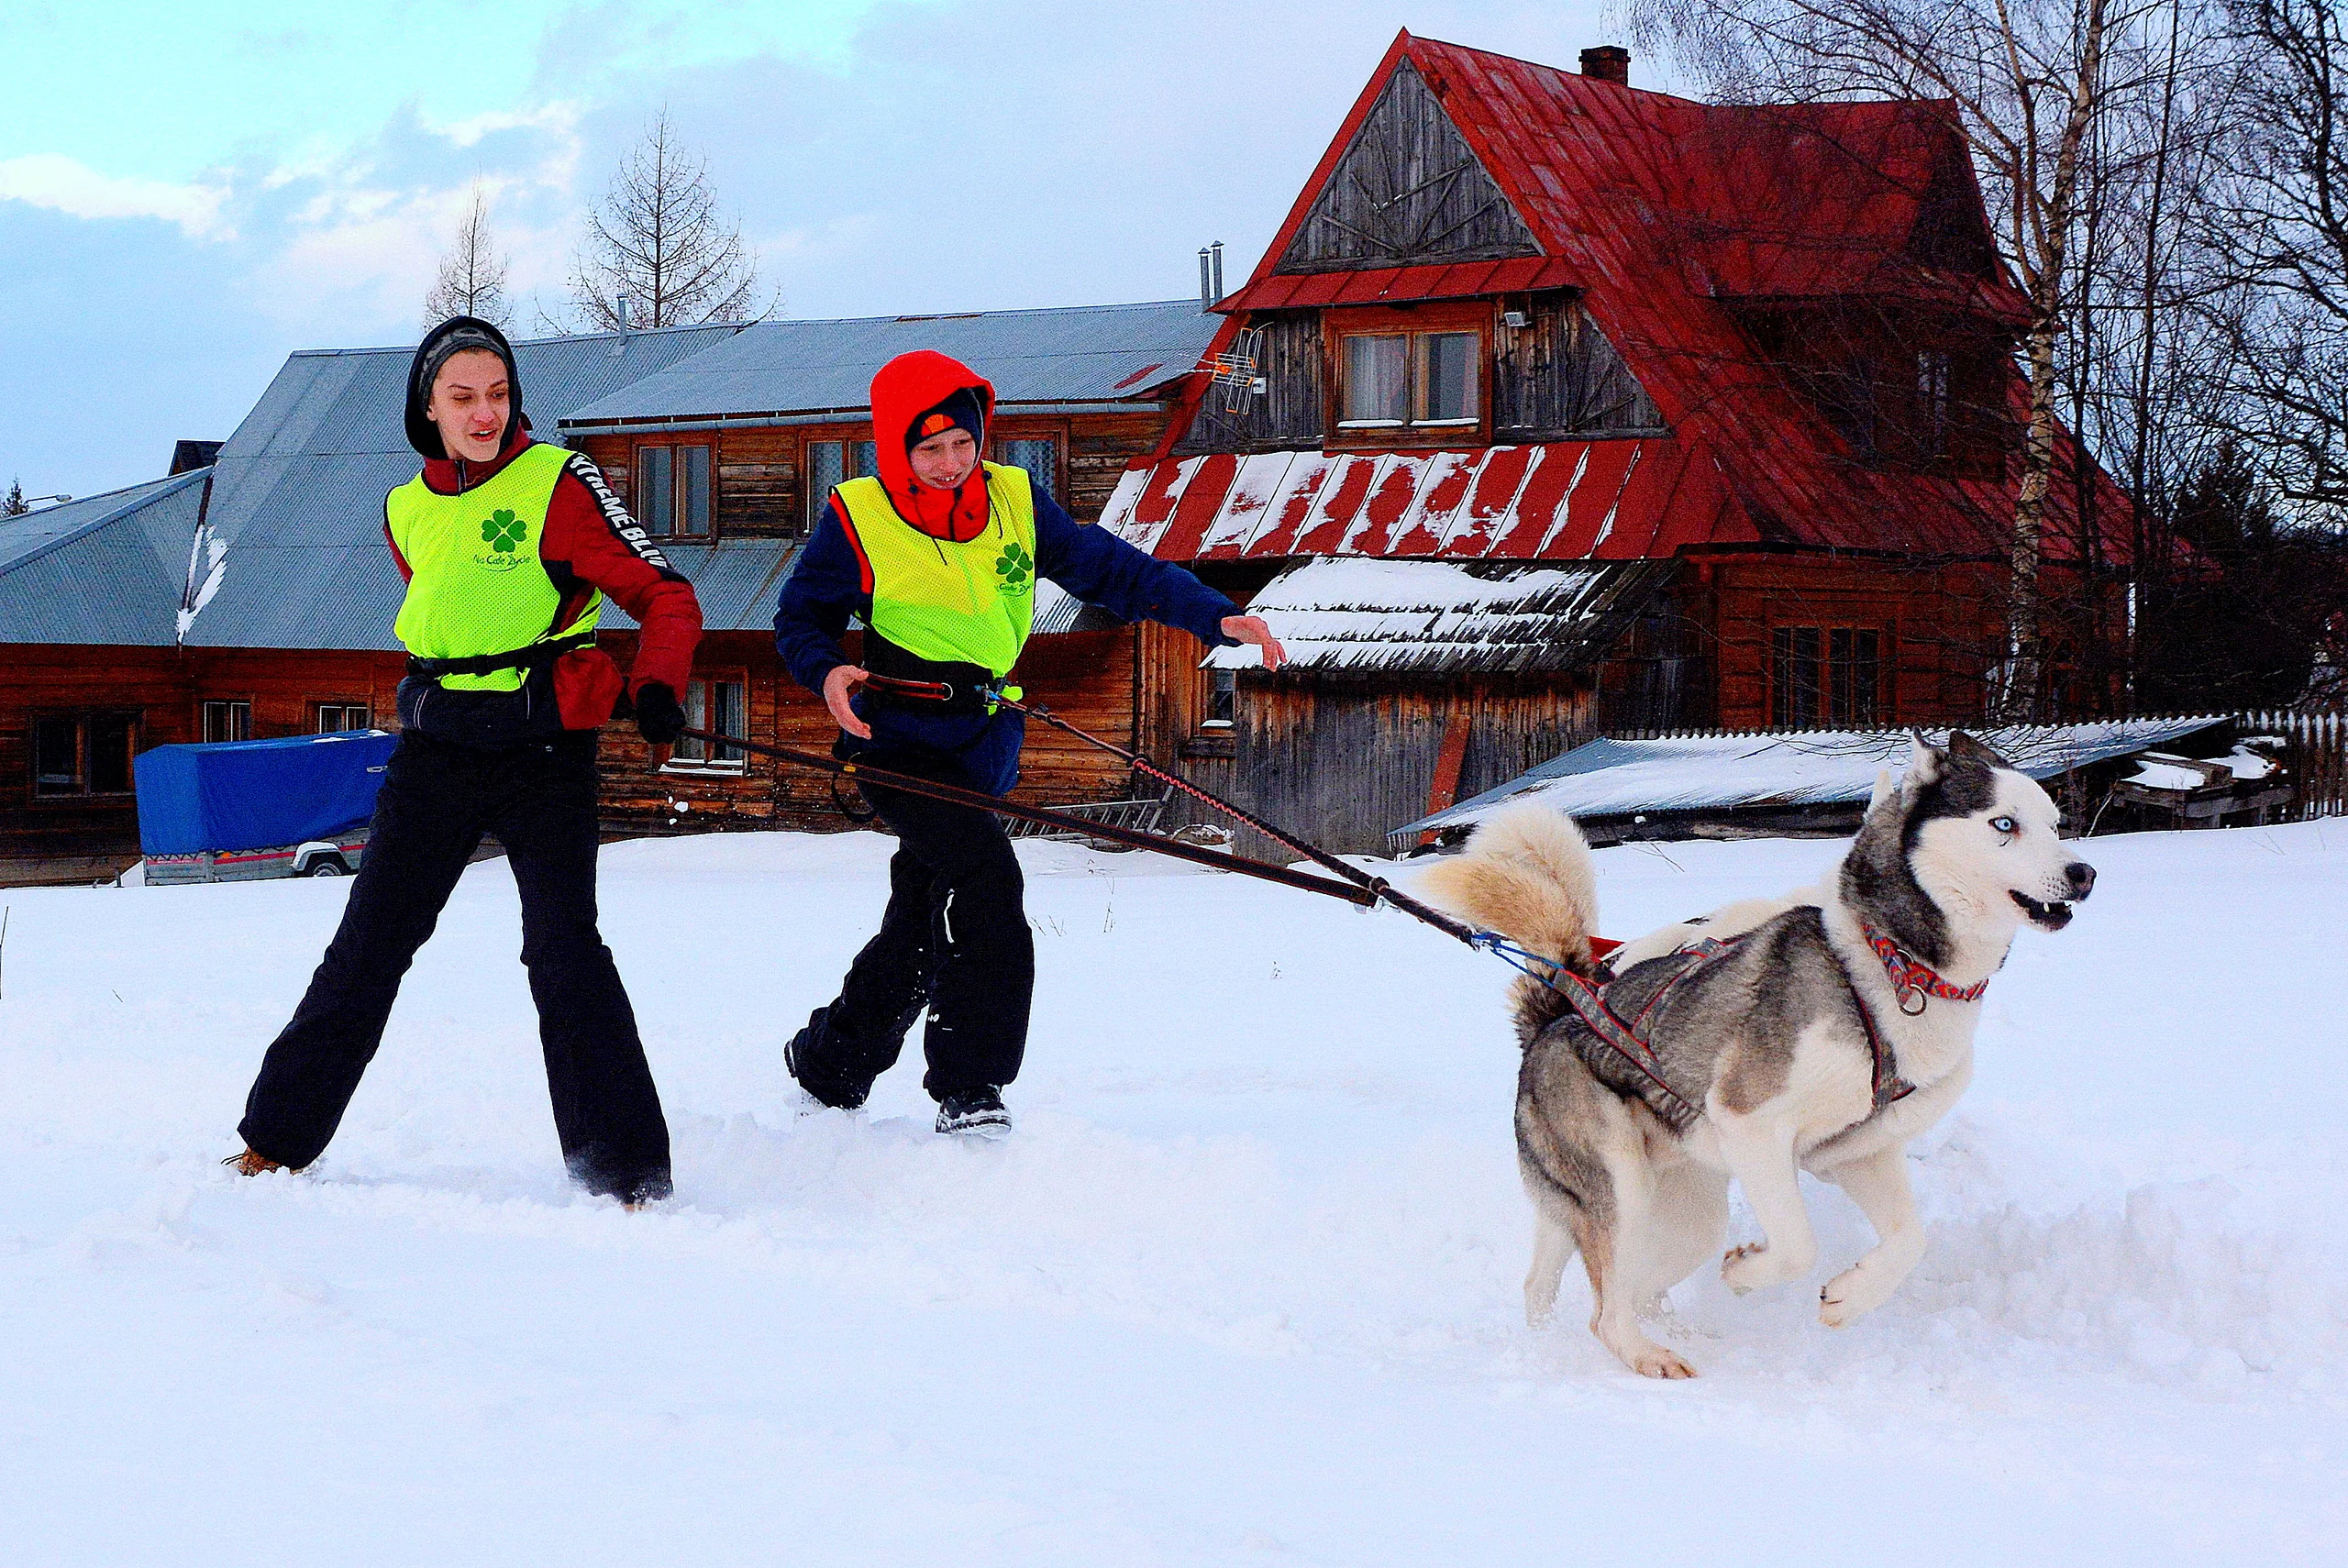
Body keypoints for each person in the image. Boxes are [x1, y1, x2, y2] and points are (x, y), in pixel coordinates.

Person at [226, 315, 702, 1205]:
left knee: (563, 952)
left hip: (544, 753)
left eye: (498, 394)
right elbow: (450, 622)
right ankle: (275, 1141)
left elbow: (666, 595)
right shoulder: (404, 508)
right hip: (437, 754)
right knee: (369, 944)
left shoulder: (558, 482)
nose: (485, 414)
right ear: (428, 408)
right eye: (463, 397)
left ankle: (624, 1171)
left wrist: (659, 684)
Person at [774, 349, 1285, 1137]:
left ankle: (830, 1060)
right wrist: (830, 670)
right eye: (928, 448)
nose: (950, 465)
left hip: (982, 742)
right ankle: (970, 1084)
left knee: (920, 911)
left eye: (962, 443)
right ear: (895, 448)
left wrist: (1213, 613)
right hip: (899, 740)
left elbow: (1107, 569)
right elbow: (799, 619)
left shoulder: (1015, 500)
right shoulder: (858, 516)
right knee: (986, 883)